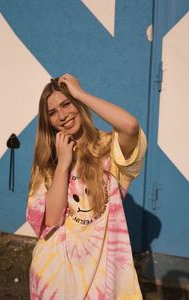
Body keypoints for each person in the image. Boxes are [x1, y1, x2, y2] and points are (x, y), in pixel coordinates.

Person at [26, 73, 147, 300]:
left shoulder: (109, 147)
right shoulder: (47, 163)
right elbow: (50, 220)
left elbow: (130, 126)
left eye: (67, 104)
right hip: (56, 277)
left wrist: (80, 94)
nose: (62, 116)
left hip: (103, 276)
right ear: (48, 122)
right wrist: (63, 165)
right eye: (53, 112)